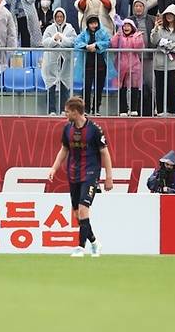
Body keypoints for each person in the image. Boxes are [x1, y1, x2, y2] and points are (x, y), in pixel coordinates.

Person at [48, 96, 114, 257]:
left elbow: (104, 152)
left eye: (67, 112)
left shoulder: (94, 129)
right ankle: (94, 242)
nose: (65, 114)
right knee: (77, 214)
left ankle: (80, 247)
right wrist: (54, 168)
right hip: (73, 174)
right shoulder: (67, 129)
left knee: (84, 209)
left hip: (90, 174)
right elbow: (64, 149)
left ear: (76, 112)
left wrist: (108, 177)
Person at [74, 15, 115, 116]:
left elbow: (108, 42)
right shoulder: (84, 33)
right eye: (91, 23)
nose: (93, 25)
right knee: (87, 87)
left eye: (95, 23)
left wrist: (96, 45)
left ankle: (96, 108)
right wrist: (86, 46)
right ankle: (86, 109)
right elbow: (76, 42)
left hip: (101, 64)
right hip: (88, 65)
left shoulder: (103, 32)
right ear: (88, 24)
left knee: (99, 87)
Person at [150, 4, 175, 116]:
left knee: (172, 87)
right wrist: (155, 29)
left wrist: (168, 46)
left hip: (173, 64)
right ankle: (160, 110)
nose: (169, 17)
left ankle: (174, 110)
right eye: (167, 15)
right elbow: (154, 41)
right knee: (159, 87)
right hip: (159, 63)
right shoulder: (160, 28)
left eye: (171, 14)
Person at [41, 8, 76, 115]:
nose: (59, 19)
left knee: (64, 84)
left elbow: (73, 41)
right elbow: (45, 42)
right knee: (51, 84)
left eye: (61, 17)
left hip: (65, 60)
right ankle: (51, 110)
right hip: (52, 61)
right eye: (57, 17)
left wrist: (63, 38)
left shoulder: (70, 28)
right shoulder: (49, 29)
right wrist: (54, 39)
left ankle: (63, 110)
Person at [111, 19, 144, 116]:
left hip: (134, 65)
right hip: (121, 65)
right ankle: (123, 110)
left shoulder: (137, 36)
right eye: (124, 26)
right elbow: (113, 44)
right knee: (122, 88)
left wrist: (136, 37)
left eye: (128, 26)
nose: (126, 28)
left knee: (134, 87)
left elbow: (138, 47)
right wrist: (118, 33)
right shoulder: (119, 35)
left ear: (132, 27)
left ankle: (134, 109)